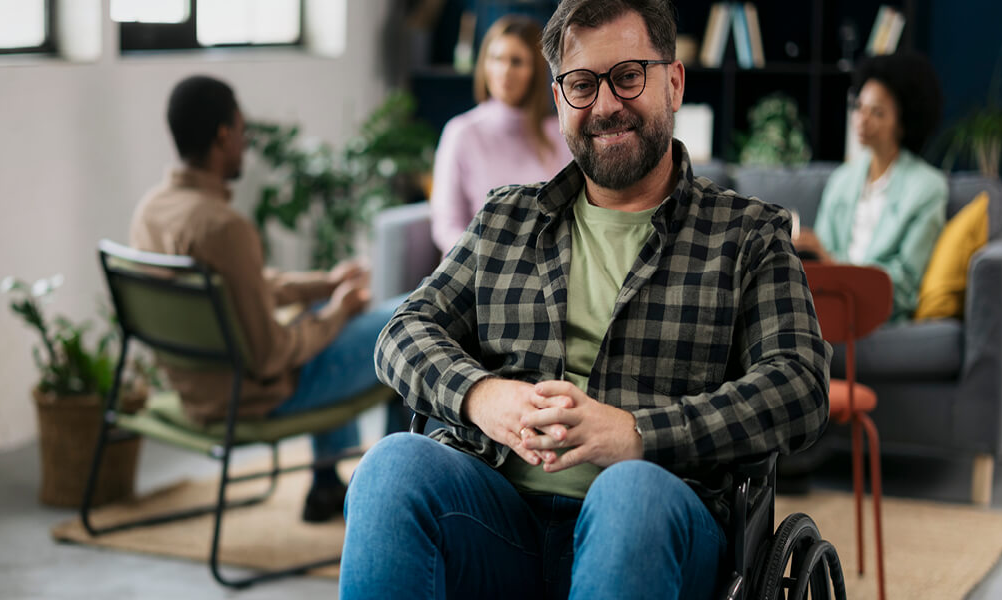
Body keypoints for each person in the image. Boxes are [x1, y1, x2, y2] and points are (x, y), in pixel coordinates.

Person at [339, 1, 831, 598]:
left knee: (630, 488)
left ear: (673, 83)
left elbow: (800, 385)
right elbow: (403, 331)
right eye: (581, 84)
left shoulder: (748, 234)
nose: (604, 105)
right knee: (391, 467)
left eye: (628, 76)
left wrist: (637, 435)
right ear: (559, 98)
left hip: (657, 522)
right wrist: (482, 395)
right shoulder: (505, 217)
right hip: (500, 519)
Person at [129, 75, 402, 523]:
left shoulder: (153, 210)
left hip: (197, 387)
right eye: (241, 129)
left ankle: (328, 484)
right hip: (252, 396)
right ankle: (385, 494)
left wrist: (324, 286)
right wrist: (337, 314)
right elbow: (270, 355)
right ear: (223, 134)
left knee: (323, 313)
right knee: (412, 317)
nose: (245, 141)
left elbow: (246, 287)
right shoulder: (223, 227)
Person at [794, 52, 947, 321]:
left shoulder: (927, 189)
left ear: (903, 121)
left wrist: (829, 262)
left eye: (877, 112)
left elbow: (904, 285)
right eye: (859, 107)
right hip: (827, 303)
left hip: (879, 312)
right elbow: (819, 268)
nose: (861, 120)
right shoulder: (843, 179)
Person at [429, 14, 574, 254]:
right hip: (473, 266)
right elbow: (446, 225)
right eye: (496, 58)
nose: (504, 71)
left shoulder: (560, 133)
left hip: (544, 267)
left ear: (535, 70)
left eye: (516, 61)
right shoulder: (461, 132)